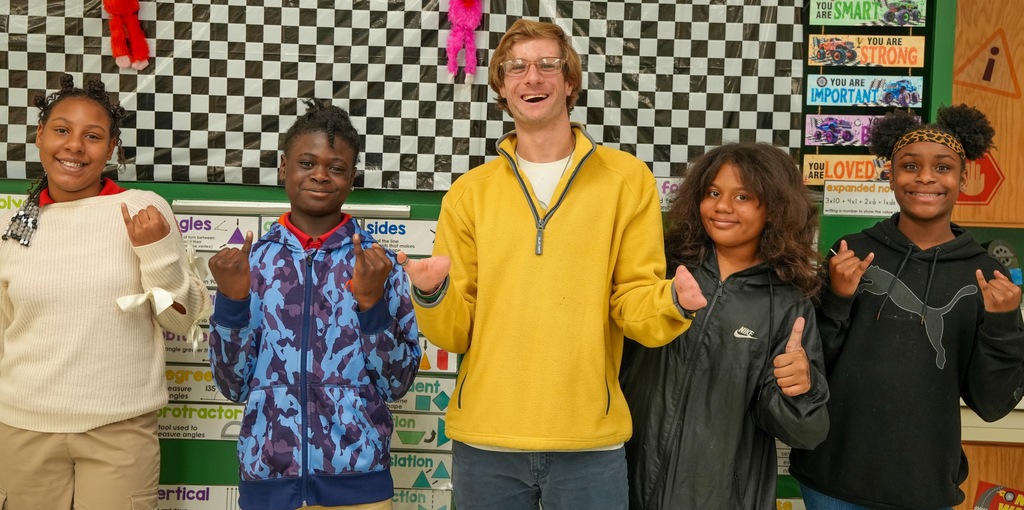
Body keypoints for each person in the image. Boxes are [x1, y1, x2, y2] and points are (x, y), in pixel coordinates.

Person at [398, 19, 707, 510]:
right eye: (516, 68)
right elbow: (455, 333)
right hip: (486, 440)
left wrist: (671, 302)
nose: (532, 78)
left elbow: (632, 304)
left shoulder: (626, 180)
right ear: (501, 86)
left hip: (589, 441)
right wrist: (433, 295)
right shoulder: (469, 194)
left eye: (548, 65)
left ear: (570, 81)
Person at [789, 105, 1024, 510]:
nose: (926, 178)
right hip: (831, 478)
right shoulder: (850, 253)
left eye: (943, 168)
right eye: (910, 166)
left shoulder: (987, 276)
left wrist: (1003, 324)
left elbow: (992, 404)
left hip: (923, 485)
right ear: (890, 175)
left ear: (963, 178)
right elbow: (810, 369)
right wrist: (838, 300)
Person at [0, 74, 212, 509]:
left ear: (111, 148)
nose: (74, 146)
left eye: (92, 136)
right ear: (39, 136)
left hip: (120, 431)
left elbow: (181, 318)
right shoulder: (13, 228)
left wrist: (157, 255)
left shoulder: (142, 209)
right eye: (62, 130)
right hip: (21, 429)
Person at [207, 98, 421, 510]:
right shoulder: (252, 264)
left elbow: (397, 383)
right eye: (307, 163)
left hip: (360, 484)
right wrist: (232, 302)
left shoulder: (378, 264)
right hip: (269, 483)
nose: (321, 175)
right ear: (284, 168)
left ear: (352, 177)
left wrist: (372, 303)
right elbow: (231, 385)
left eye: (336, 167)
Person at [619, 142, 830, 509]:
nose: (722, 207)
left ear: (776, 208)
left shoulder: (787, 302)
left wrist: (800, 389)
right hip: (623, 478)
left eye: (743, 196)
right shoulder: (662, 268)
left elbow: (805, 432)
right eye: (713, 193)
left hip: (720, 497)